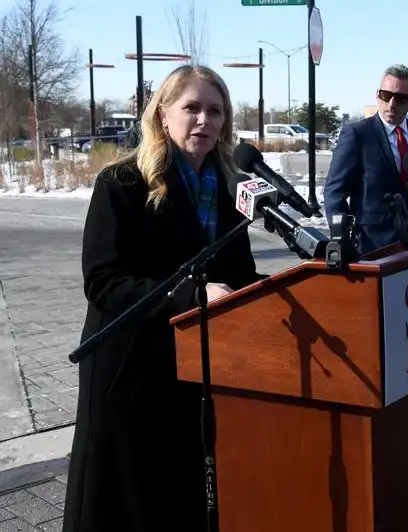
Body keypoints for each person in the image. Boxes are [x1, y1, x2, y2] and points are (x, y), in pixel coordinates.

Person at [63, 65, 263, 531]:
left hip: (192, 372)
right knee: (126, 508)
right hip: (128, 370)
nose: (204, 121)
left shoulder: (232, 189)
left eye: (216, 111)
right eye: (191, 108)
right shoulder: (121, 183)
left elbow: (240, 275)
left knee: (178, 501)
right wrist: (192, 295)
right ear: (163, 115)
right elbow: (104, 282)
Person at [323, 64, 408, 254]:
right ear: (378, 95)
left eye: (401, 98)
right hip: (371, 246)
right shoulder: (357, 135)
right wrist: (344, 238)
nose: (391, 104)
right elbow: (334, 192)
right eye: (386, 95)